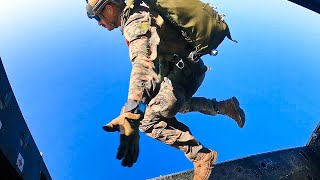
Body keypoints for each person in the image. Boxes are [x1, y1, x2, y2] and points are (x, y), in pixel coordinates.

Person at [85, 0, 245, 179]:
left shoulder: (134, 20)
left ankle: (201, 156)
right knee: (167, 104)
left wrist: (131, 109)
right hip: (185, 69)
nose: (99, 23)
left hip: (184, 72)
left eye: (97, 18)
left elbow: (141, 62)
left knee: (148, 123)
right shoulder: (140, 13)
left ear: (108, 8)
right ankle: (224, 106)